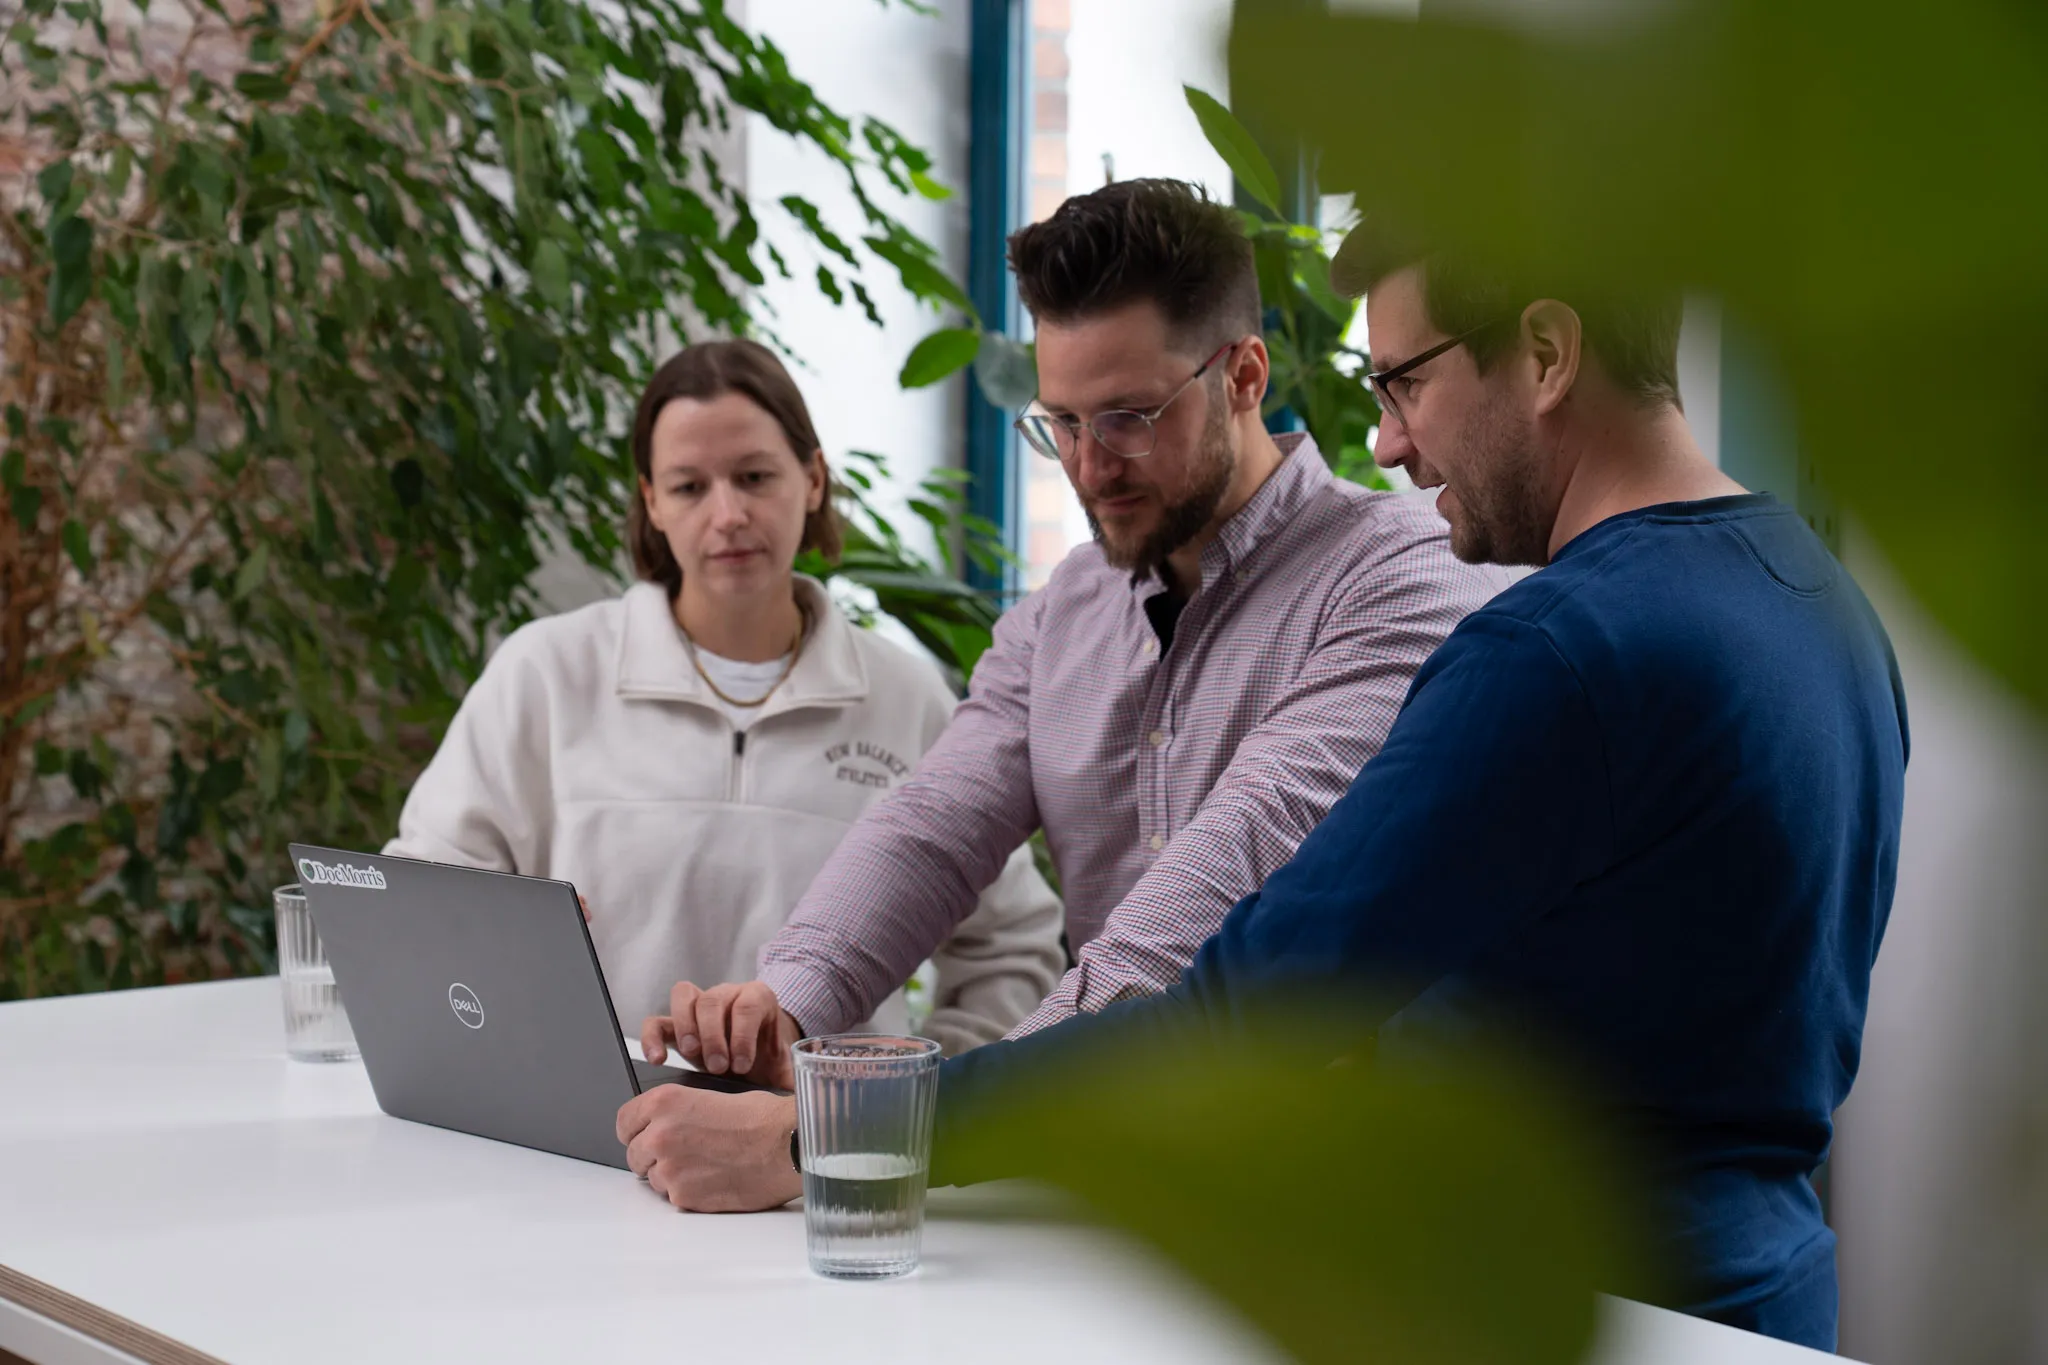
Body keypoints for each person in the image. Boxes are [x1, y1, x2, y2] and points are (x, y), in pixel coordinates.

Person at [612, 227, 1907, 1354]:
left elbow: (1246, 1007)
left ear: (1550, 352)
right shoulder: (1826, 607)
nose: (1390, 439)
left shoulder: (1553, 649)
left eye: (1405, 381)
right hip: (1760, 1301)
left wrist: (833, 1138)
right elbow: (934, 822)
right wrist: (798, 1005)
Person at [630, 178, 1505, 1086]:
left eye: (1131, 418)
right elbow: (934, 827)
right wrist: (785, 1003)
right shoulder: (1063, 616)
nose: (1090, 466)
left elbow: (1235, 866)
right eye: (1062, 424)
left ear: (1243, 376)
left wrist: (945, 1113)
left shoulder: (1402, 571)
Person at [384, 340, 1064, 1052]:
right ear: (651, 501)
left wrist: (914, 1099)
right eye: (689, 487)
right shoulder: (546, 674)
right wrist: (509, 944)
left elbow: (1012, 947)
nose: (729, 513)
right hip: (579, 1138)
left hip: (810, 1149)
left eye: (754, 476)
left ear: (812, 479)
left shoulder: (908, 697)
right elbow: (416, 904)